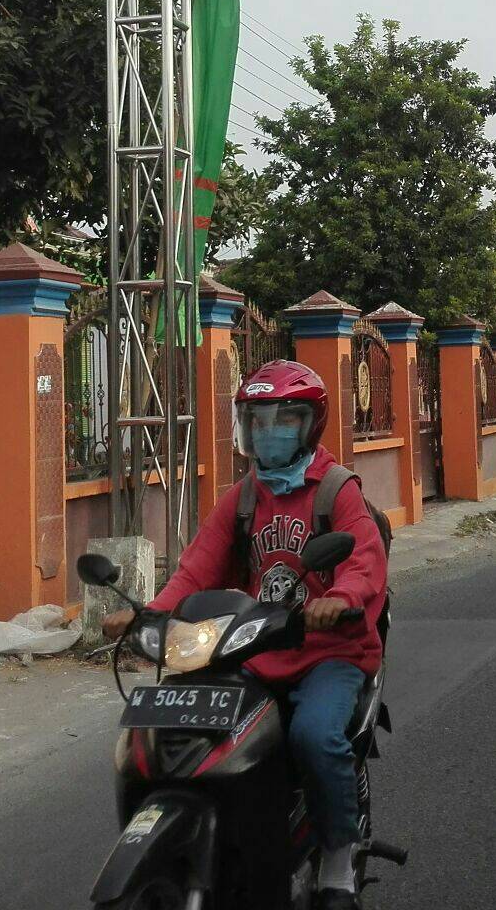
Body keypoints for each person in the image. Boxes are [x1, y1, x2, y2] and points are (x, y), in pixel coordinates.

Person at [102, 360, 386, 909]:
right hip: (255, 650)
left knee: (314, 737)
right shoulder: (244, 496)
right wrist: (150, 614)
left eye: (284, 419)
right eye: (258, 421)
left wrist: (341, 599)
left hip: (328, 652)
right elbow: (196, 568)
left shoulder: (336, 489)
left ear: (311, 425)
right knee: (202, 736)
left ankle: (336, 859)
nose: (269, 431)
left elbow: (364, 558)